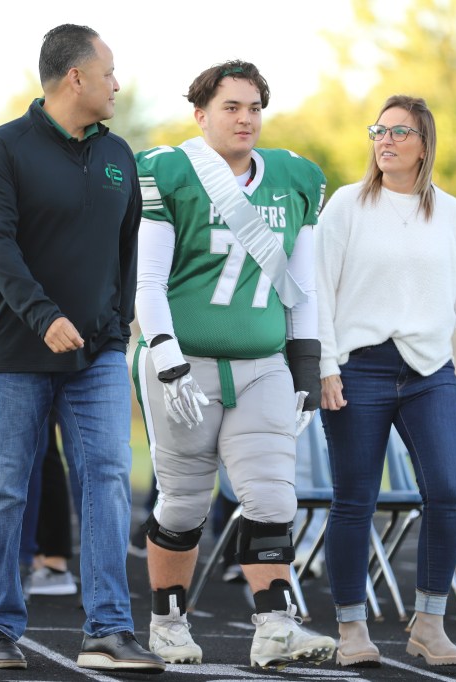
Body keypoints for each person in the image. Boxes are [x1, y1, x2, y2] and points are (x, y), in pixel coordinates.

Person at [0, 23, 163, 673]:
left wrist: (118, 327)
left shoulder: (119, 154)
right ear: (75, 77)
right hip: (14, 351)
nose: (117, 84)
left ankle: (108, 627)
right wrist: (43, 314)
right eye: (108, 72)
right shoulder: (3, 148)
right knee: (4, 489)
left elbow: (126, 248)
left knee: (108, 479)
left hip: (97, 354)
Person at [132, 59, 335, 670]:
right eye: (231, 107)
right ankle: (168, 622)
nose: (245, 118)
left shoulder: (294, 179)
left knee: (273, 496)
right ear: (201, 115)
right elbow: (148, 280)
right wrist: (166, 355)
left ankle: (274, 626)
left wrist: (307, 363)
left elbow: (302, 287)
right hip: (184, 362)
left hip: (262, 362)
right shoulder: (170, 171)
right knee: (184, 502)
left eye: (254, 108)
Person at [315, 94, 456, 668]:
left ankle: (429, 624)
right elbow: (318, 290)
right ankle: (351, 628)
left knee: (449, 492)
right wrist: (325, 366)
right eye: (379, 131)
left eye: (400, 132)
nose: (386, 140)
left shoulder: (449, 212)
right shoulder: (347, 205)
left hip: (430, 373)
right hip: (358, 370)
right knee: (355, 499)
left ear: (424, 145)